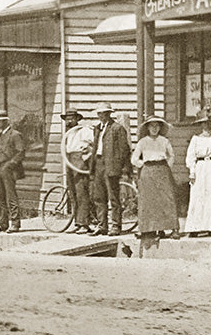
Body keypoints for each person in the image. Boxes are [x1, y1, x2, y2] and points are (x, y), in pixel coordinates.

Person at [131, 116, 178, 238]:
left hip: (162, 170)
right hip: (148, 171)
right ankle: (148, 230)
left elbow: (171, 155)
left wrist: (166, 167)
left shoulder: (164, 141)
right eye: (152, 126)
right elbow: (134, 159)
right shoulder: (142, 142)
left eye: (157, 125)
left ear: (160, 128)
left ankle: (173, 228)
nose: (154, 128)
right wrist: (143, 165)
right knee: (149, 201)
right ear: (147, 127)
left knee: (167, 198)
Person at [91, 102, 131, 236]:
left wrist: (122, 168)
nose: (102, 116)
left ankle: (115, 225)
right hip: (98, 163)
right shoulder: (97, 128)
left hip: (111, 165)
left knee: (113, 197)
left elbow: (124, 150)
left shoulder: (117, 128)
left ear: (109, 114)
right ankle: (102, 225)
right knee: (99, 196)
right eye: (100, 113)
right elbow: (95, 147)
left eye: (104, 113)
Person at [0, 109, 25, 233]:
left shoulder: (15, 134)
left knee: (11, 196)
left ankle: (15, 223)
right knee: (0, 197)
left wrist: (10, 165)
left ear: (5, 121)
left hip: (8, 169)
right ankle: (3, 223)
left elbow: (20, 152)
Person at [61, 108, 94, 235]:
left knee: (81, 192)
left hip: (79, 160)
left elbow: (94, 144)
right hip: (69, 160)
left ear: (76, 119)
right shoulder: (67, 133)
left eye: (71, 118)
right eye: (67, 119)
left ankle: (84, 223)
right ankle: (77, 223)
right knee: (73, 193)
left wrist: (87, 153)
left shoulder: (84, 130)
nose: (69, 121)